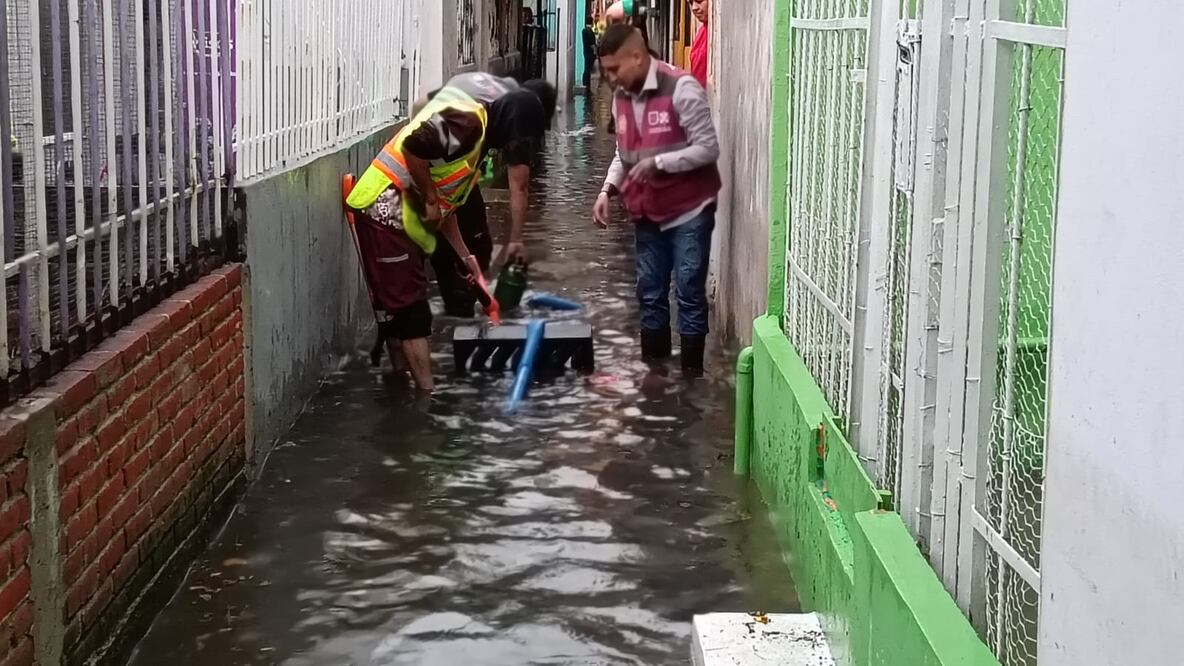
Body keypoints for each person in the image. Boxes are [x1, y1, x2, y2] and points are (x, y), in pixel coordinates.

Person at [345, 76, 552, 390]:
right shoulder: (469, 124)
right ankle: (427, 400)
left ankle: (399, 384)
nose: (513, 150)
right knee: (411, 305)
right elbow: (413, 145)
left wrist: (464, 256)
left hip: (401, 214)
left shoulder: (478, 145)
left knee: (395, 307)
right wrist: (428, 196)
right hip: (383, 206)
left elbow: (445, 211)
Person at [592, 25, 721, 377]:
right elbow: (624, 153)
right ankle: (656, 387)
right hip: (647, 209)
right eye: (607, 71)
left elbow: (708, 148)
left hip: (689, 209)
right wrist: (607, 190)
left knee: (689, 290)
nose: (611, 78)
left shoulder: (682, 89)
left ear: (637, 56)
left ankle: (691, 381)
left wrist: (660, 162)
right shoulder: (622, 99)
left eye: (615, 69)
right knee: (649, 292)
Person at [414, 73, 557, 318]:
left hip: (425, 164)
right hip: (443, 169)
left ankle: (452, 319)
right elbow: (519, 185)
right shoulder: (526, 106)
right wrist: (515, 239)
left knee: (453, 242)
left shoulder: (487, 84)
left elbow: (418, 105)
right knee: (471, 246)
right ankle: (463, 320)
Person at [689, 0, 709, 87]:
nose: (694, 8)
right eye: (691, 2)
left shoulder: (717, 34)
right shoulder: (702, 31)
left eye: (699, 1)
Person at [582, 16, 598, 89]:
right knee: (588, 69)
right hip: (590, 53)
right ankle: (587, 85)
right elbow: (592, 44)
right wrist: (595, 52)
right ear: (592, 22)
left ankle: (586, 84)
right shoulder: (590, 31)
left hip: (586, 52)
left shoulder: (584, 30)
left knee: (587, 68)